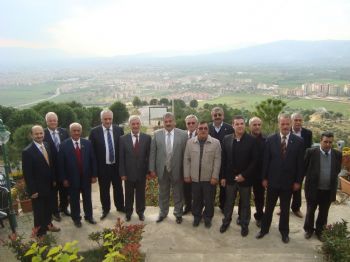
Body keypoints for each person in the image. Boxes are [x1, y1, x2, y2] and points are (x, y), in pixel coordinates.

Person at [256, 113, 304, 243]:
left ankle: (284, 232)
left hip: (288, 183)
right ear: (279, 124)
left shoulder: (299, 141)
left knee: (285, 209)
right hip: (272, 181)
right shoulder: (270, 140)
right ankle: (264, 230)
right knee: (269, 208)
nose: (285, 126)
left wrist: (298, 181)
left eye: (287, 124)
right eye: (282, 124)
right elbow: (266, 161)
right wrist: (264, 178)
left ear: (291, 124)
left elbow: (300, 164)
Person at [220, 116, 258, 236]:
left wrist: (244, 175)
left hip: (245, 179)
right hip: (230, 178)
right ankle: (226, 222)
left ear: (245, 125)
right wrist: (223, 177)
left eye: (242, 123)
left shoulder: (252, 140)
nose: (240, 126)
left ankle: (244, 224)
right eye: (237, 124)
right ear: (233, 125)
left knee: (246, 203)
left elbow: (255, 161)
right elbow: (224, 159)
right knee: (229, 202)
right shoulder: (226, 139)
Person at [149, 112, 188, 224]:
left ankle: (178, 213)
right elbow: (153, 153)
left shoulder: (183, 134)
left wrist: (186, 170)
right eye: (166, 122)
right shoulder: (156, 135)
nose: (168, 123)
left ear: (174, 122)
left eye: (170, 121)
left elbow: (186, 154)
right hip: (162, 169)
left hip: (178, 169)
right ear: (163, 123)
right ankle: (163, 213)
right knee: (163, 192)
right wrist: (152, 169)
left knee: (178, 193)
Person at [22, 125, 60, 237]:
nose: (39, 136)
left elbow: (50, 165)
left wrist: (54, 180)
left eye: (41, 133)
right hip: (38, 189)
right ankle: (40, 233)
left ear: (43, 134)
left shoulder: (47, 145)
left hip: (50, 186)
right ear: (31, 135)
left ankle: (49, 225)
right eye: (36, 134)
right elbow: (27, 174)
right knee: (39, 212)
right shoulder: (27, 152)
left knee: (49, 208)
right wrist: (33, 190)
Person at [304, 131, 342, 240]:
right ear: (320, 141)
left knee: (324, 212)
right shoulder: (311, 152)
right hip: (313, 188)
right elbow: (304, 168)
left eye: (330, 142)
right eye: (325, 142)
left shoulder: (337, 154)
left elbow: (337, 170)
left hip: (328, 190)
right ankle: (309, 230)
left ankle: (320, 231)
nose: (328, 144)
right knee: (310, 211)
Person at [59, 123, 97, 227]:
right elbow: (61, 164)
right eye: (74, 131)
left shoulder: (87, 143)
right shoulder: (63, 145)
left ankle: (89, 216)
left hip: (86, 177)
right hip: (71, 179)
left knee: (87, 198)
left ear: (81, 131)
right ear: (70, 132)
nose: (76, 133)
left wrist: (94, 175)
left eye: (78, 130)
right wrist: (64, 179)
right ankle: (76, 219)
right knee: (74, 199)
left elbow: (92, 160)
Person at [184, 121, 221, 228]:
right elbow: (186, 159)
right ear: (197, 130)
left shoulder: (216, 143)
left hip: (209, 178)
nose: (203, 130)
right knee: (196, 199)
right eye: (200, 128)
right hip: (195, 178)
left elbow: (217, 161)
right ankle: (197, 217)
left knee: (209, 200)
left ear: (208, 130)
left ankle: (208, 218)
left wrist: (215, 176)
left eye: (205, 128)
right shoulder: (190, 142)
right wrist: (187, 175)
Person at [89, 109, 125, 220]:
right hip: (103, 167)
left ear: (112, 119)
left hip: (116, 166)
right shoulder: (94, 132)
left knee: (118, 187)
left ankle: (120, 207)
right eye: (105, 119)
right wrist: (94, 172)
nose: (108, 121)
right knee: (104, 189)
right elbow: (92, 154)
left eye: (110, 119)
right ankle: (106, 209)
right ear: (101, 119)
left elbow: (122, 150)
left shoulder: (119, 130)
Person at [119, 115, 151, 222]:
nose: (136, 126)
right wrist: (122, 173)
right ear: (130, 125)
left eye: (137, 123)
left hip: (142, 173)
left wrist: (148, 171)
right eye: (133, 124)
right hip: (128, 174)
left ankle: (140, 212)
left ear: (140, 125)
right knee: (128, 194)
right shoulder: (123, 139)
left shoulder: (147, 138)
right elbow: (121, 158)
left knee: (141, 194)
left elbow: (148, 156)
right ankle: (128, 213)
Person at [44, 112, 70, 221]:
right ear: (46, 122)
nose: (53, 122)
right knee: (53, 193)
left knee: (65, 190)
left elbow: (69, 146)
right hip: (51, 169)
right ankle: (55, 212)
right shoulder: (43, 134)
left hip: (64, 168)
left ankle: (64, 208)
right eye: (50, 120)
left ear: (57, 121)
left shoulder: (64, 132)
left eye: (54, 120)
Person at [208, 107, 234, 212]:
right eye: (215, 115)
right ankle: (210, 206)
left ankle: (223, 206)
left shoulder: (230, 128)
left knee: (224, 186)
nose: (217, 117)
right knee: (210, 186)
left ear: (223, 116)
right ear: (212, 116)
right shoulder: (207, 128)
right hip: (210, 162)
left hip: (225, 162)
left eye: (219, 115)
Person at [289, 112, 313, 218]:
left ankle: (296, 208)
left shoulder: (307, 133)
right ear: (291, 121)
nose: (298, 122)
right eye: (296, 120)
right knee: (285, 186)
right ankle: (283, 207)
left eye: (300, 120)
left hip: (300, 166)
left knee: (297, 187)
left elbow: (308, 150)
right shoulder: (286, 131)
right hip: (287, 165)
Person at [248, 117, 266, 227]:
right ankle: (243, 216)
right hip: (246, 174)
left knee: (259, 197)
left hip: (259, 175)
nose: (257, 127)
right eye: (254, 125)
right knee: (244, 197)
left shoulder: (266, 140)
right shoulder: (245, 138)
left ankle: (259, 216)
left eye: (259, 124)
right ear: (250, 126)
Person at [183, 114, 199, 215]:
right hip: (185, 167)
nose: (191, 125)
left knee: (196, 191)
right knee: (186, 189)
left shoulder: (202, 134)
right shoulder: (182, 135)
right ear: (186, 125)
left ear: (197, 124)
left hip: (197, 168)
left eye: (193, 123)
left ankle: (196, 208)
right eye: (189, 123)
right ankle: (187, 206)